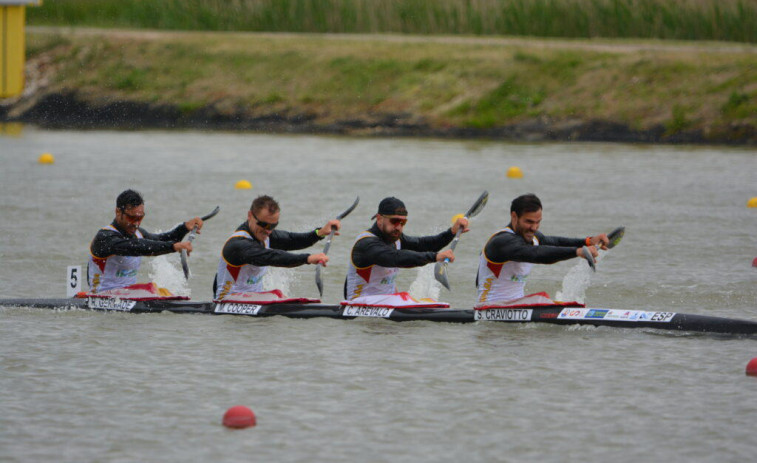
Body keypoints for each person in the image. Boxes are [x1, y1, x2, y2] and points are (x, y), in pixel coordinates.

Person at [476, 193, 608, 304]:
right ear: (514, 216)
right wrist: (578, 252)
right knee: (541, 298)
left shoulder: (531, 237)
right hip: (489, 309)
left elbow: (554, 242)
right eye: (529, 222)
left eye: (537, 222)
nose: (534, 228)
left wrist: (588, 241)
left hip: (516, 307)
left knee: (550, 301)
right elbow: (537, 254)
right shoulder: (502, 242)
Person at [214, 195, 340, 300]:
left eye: (273, 226)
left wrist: (320, 232)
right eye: (264, 224)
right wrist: (307, 258)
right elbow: (272, 257)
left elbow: (292, 240)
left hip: (252, 299)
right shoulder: (238, 244)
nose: (268, 231)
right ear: (250, 216)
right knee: (276, 294)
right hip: (227, 302)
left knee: (277, 296)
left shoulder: (263, 233)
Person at [344, 197, 469, 300]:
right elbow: (396, 258)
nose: (399, 227)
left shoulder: (395, 238)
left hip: (386, 302)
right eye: (394, 221)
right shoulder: (366, 244)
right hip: (360, 304)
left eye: (403, 223)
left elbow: (422, 244)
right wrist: (435, 257)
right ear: (379, 219)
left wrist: (451, 232)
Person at [87, 189, 202, 293]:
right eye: (132, 218)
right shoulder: (104, 238)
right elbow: (137, 247)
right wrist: (173, 247)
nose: (136, 223)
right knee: (152, 289)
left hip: (126, 294)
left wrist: (185, 227)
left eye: (140, 218)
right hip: (101, 295)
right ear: (118, 212)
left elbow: (161, 240)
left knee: (160, 291)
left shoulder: (138, 233)